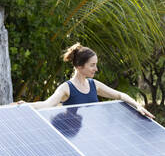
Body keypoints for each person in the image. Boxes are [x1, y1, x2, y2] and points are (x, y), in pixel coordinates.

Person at [18, 43, 154, 118]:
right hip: (75, 139)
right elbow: (47, 104)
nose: (96, 69)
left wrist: (138, 105)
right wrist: (27, 105)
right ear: (79, 66)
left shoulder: (94, 85)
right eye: (92, 65)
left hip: (93, 137)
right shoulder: (66, 88)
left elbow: (119, 95)